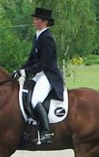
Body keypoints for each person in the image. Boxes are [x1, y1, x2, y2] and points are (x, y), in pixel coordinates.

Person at [12, 7, 64, 144]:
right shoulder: (38, 35)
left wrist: (27, 72)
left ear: (44, 22)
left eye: (36, 19)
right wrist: (20, 70)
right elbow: (31, 59)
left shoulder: (47, 38)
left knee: (35, 100)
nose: (34, 22)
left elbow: (44, 63)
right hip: (38, 74)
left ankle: (46, 132)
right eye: (34, 19)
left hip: (48, 75)